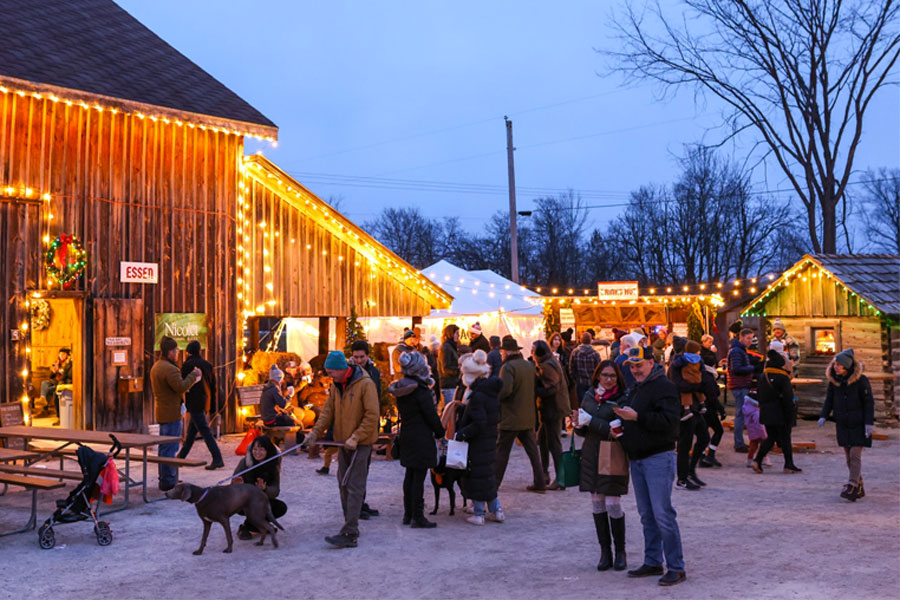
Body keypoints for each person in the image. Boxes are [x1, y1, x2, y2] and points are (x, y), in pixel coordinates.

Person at [613, 346, 686, 587]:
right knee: (647, 515)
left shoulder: (664, 387)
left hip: (658, 458)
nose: (635, 370)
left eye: (639, 365)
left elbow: (670, 423)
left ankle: (676, 567)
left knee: (662, 514)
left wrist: (636, 417)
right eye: (632, 366)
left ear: (651, 363)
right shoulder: (637, 387)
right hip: (638, 458)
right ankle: (653, 560)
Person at [303, 351, 380, 548]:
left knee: (354, 485)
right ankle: (349, 524)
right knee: (343, 483)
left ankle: (350, 531)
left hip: (360, 443)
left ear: (341, 369)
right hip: (343, 442)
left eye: (331, 372)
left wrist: (356, 437)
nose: (328, 375)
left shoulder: (365, 384)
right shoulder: (336, 386)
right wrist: (315, 433)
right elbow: (327, 412)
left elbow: (372, 415)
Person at [575, 360, 629, 572]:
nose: (608, 379)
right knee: (597, 502)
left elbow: (617, 431)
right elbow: (583, 430)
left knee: (613, 503)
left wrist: (591, 422)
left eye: (612, 376)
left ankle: (620, 552)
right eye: (605, 375)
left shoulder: (622, 399)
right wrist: (578, 424)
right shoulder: (589, 396)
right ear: (598, 376)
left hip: (612, 452)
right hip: (591, 452)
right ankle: (605, 552)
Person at [389, 351, 445, 528]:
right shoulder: (421, 391)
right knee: (419, 477)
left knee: (410, 475)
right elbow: (431, 415)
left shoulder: (402, 388)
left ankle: (408, 514)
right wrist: (440, 432)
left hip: (407, 435)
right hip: (421, 436)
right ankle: (418, 517)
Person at [454, 350, 504, 525]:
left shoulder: (477, 395)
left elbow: (478, 422)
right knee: (487, 475)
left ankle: (479, 512)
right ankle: (496, 510)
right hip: (489, 438)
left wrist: (462, 433)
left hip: (478, 441)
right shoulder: (490, 391)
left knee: (476, 476)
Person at [818, 349, 874, 502]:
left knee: (855, 455)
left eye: (839, 365)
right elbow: (829, 400)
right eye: (835, 364)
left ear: (847, 366)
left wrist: (868, 423)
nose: (835, 367)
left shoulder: (861, 381)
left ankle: (852, 485)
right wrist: (823, 415)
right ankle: (859, 485)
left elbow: (868, 403)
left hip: (858, 423)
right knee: (849, 458)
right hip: (843, 423)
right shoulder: (834, 382)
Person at [494, 335, 546, 493]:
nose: (501, 355)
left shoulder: (508, 367)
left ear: (507, 352)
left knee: (502, 452)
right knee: (533, 452)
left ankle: (493, 484)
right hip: (528, 416)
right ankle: (540, 482)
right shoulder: (528, 365)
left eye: (502, 352)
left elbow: (505, 390)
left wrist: (495, 395)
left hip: (510, 417)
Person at [150, 336, 200, 491]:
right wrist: (194, 375)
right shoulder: (169, 369)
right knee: (170, 448)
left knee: (164, 448)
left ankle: (165, 478)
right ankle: (169, 480)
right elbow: (180, 387)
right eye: (176, 350)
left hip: (162, 411)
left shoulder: (157, 366)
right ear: (170, 352)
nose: (178, 352)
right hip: (171, 413)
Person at [668, 339, 709, 490]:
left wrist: (697, 385)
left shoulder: (694, 363)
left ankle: (690, 471)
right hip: (683, 408)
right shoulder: (676, 366)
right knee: (685, 444)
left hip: (695, 407)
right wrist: (697, 385)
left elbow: (704, 380)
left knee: (704, 438)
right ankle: (682, 478)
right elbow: (680, 385)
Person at [752, 348, 802, 474]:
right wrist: (790, 414)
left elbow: (759, 395)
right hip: (781, 412)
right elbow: (788, 398)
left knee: (771, 437)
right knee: (785, 439)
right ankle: (788, 465)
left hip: (766, 412)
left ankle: (758, 460)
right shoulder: (783, 378)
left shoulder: (762, 377)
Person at [177, 340, 224, 469]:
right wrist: (213, 407)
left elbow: (183, 385)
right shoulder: (208, 365)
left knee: (205, 431)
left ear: (188, 352)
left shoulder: (187, 365)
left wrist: (181, 402)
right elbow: (213, 387)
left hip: (194, 401)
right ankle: (181, 457)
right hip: (205, 401)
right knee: (192, 432)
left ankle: (217, 458)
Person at [350, 340, 383, 520]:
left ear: (367, 356)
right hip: (355, 425)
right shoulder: (349, 373)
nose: (359, 360)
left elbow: (377, 398)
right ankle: (356, 505)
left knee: (364, 467)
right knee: (356, 469)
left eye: (361, 357)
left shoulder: (374, 372)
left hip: (369, 424)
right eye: (356, 357)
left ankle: (361, 501)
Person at [533, 340, 570, 490]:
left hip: (553, 409)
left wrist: (536, 390)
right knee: (542, 440)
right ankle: (544, 474)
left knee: (554, 444)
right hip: (550, 409)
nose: (532, 353)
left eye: (533, 350)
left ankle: (561, 478)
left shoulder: (547, 365)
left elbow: (552, 387)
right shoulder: (549, 361)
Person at [233, 435, 287, 539]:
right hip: (245, 502)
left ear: (268, 451)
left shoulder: (273, 466)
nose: (257, 453)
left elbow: (275, 491)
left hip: (262, 500)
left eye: (261, 449)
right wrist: (237, 486)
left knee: (280, 507)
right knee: (253, 506)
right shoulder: (244, 463)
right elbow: (232, 486)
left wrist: (264, 489)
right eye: (255, 449)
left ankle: (249, 527)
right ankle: (259, 526)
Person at [727, 328, 755, 452]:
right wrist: (752, 368)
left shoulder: (740, 350)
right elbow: (736, 369)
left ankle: (740, 442)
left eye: (751, 339)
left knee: (741, 414)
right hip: (739, 385)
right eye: (748, 338)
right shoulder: (736, 351)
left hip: (741, 384)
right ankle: (738, 443)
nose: (750, 341)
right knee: (740, 415)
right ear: (741, 337)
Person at [39, 348, 72, 423]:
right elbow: (51, 377)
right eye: (60, 354)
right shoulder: (57, 362)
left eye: (63, 354)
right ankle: (43, 398)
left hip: (61, 384)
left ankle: (57, 416)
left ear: (67, 355)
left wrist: (59, 371)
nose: (61, 356)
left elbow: (65, 376)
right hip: (55, 382)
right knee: (44, 383)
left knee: (50, 391)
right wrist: (53, 372)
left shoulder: (68, 364)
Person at [569, 332, 601, 410]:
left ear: (581, 340)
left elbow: (571, 368)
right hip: (592, 382)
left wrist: (575, 379)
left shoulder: (575, 352)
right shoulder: (595, 353)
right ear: (590, 340)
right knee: (593, 403)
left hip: (580, 382)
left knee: (581, 404)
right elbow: (599, 369)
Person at [438, 324, 461, 411]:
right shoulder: (446, 348)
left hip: (452, 384)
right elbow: (445, 368)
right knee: (449, 412)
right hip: (448, 385)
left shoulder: (451, 347)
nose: (458, 336)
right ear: (451, 334)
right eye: (457, 333)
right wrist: (459, 370)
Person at [741, 392, 766, 468]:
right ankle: (763, 459)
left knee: (753, 445)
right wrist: (764, 434)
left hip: (751, 429)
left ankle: (750, 459)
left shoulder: (747, 408)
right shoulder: (756, 412)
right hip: (759, 430)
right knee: (763, 444)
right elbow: (759, 423)